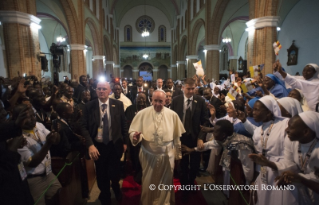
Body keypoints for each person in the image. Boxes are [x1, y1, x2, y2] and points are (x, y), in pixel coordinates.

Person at [128, 90, 185, 205]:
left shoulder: (172, 115)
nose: (158, 104)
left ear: (165, 101)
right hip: (148, 155)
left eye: (160, 101)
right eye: (155, 101)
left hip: (167, 155)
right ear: (151, 100)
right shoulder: (142, 113)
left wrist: (178, 154)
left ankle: (164, 202)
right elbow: (132, 132)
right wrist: (135, 137)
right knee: (149, 180)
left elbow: (176, 137)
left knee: (166, 181)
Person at [250, 111, 319, 204]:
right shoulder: (292, 141)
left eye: (291, 127)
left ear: (306, 132)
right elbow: (289, 163)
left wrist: (300, 178)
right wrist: (268, 163)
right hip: (303, 191)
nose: (286, 130)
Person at [182, 120, 255, 203]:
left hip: (241, 176)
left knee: (238, 197)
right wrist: (192, 150)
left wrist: (248, 183)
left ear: (223, 134)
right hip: (231, 171)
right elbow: (210, 144)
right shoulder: (226, 138)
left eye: (215, 131)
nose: (213, 133)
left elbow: (248, 167)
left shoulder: (241, 145)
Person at [80, 81, 128, 205]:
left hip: (114, 145)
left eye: (104, 89)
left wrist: (125, 142)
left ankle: (116, 187)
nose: (101, 91)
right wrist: (90, 145)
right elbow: (83, 127)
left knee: (115, 173)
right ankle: (105, 196)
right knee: (101, 175)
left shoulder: (118, 104)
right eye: (99, 89)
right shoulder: (88, 106)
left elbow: (124, 125)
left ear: (109, 91)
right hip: (98, 146)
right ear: (96, 91)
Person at [243, 96, 297, 205]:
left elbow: (290, 154)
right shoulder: (258, 130)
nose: (253, 112)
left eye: (257, 109)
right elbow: (260, 156)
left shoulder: (284, 124)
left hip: (281, 171)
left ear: (268, 112)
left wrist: (272, 164)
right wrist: (255, 178)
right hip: (264, 172)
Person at [170, 78, 210, 202]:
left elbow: (205, 121)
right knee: (182, 165)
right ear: (183, 88)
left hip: (195, 138)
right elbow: (172, 119)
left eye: (193, 89)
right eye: (188, 88)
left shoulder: (200, 101)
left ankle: (191, 181)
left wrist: (200, 138)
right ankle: (184, 187)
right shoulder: (176, 101)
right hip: (180, 138)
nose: (191, 91)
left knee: (194, 165)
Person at [16, 104, 62, 205]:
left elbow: (55, 141)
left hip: (48, 174)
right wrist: (48, 143)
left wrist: (56, 133)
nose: (33, 119)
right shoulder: (17, 138)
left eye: (34, 115)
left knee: (60, 197)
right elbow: (32, 162)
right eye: (29, 117)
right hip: (34, 180)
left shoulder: (39, 125)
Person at [125, 93, 148, 184]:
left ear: (146, 99)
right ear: (135, 99)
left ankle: (145, 175)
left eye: (143, 98)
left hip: (146, 138)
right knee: (135, 157)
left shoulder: (150, 108)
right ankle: (138, 174)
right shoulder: (130, 109)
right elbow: (127, 124)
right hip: (134, 138)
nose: (141, 100)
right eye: (139, 98)